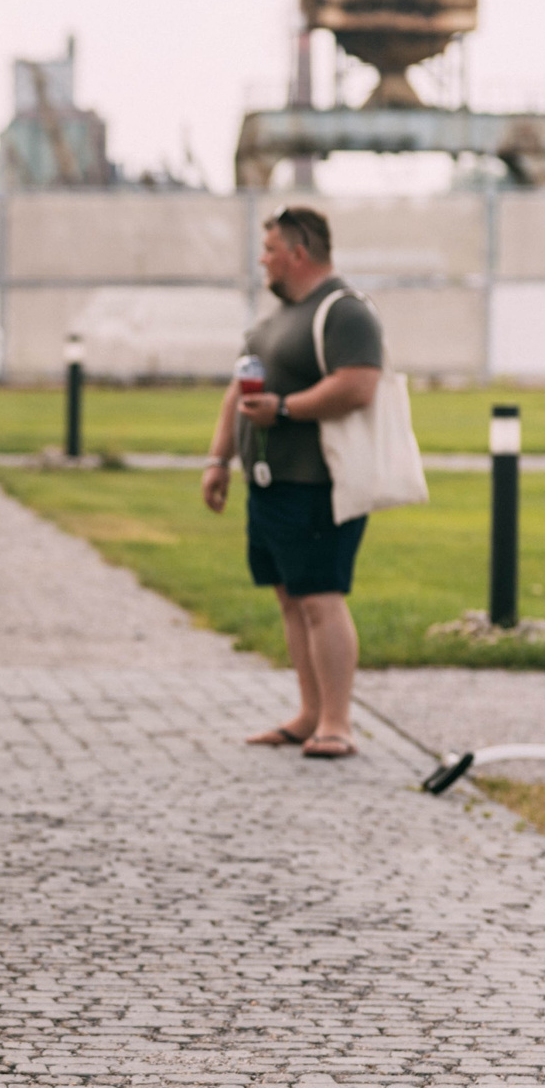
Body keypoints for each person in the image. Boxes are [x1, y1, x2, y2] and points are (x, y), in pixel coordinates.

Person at [200, 205, 385, 759]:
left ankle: (337, 723)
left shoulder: (345, 313)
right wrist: (218, 461)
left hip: (317, 484)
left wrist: (283, 409)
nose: (263, 259)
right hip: (268, 483)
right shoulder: (271, 321)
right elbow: (238, 393)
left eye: (271, 249)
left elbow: (358, 386)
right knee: (290, 600)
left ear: (299, 252)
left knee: (321, 599)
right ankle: (309, 713)